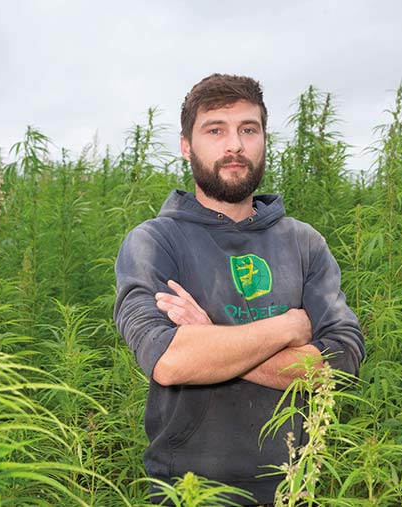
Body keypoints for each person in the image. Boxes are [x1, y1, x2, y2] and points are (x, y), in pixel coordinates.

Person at [113, 73, 364, 505]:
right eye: (216, 130)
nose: (235, 145)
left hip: (294, 487)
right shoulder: (154, 242)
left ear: (264, 139)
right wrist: (288, 328)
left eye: (249, 129)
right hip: (188, 491)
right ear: (186, 145)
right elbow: (170, 361)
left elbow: (340, 365)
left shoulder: (304, 243)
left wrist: (209, 338)